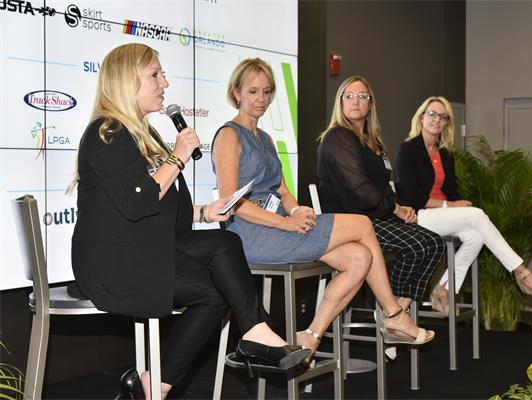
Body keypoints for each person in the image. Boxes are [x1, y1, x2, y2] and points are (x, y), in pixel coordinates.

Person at [70, 43, 309, 400]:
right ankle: (156, 384)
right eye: (155, 74)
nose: (165, 83)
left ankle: (255, 330)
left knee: (226, 242)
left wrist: (204, 212)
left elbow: (167, 210)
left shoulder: (144, 135)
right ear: (126, 80)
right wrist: (179, 157)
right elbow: (138, 202)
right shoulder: (106, 133)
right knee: (213, 295)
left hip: (145, 248)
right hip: (114, 263)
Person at [211, 59, 435, 361]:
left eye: (266, 92)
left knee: (360, 257)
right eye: (253, 91)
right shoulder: (229, 135)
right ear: (236, 93)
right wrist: (285, 224)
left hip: (277, 226)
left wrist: (296, 211)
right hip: (249, 235)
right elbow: (231, 203)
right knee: (362, 226)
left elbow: (283, 191)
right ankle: (394, 314)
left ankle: (311, 335)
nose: (261, 99)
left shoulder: (265, 139)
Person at [395, 96, 532, 314]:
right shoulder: (408, 150)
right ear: (421, 117)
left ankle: (444, 289)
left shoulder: (445, 155)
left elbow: (452, 191)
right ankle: (520, 271)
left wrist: (455, 205)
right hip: (417, 216)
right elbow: (411, 196)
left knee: (476, 236)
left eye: (443, 117)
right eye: (431, 114)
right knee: (477, 215)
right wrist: (449, 206)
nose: (436, 120)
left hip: (441, 216)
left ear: (447, 124)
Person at [316, 75, 446, 320]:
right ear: (340, 102)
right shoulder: (337, 138)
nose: (356, 102)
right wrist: (395, 209)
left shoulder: (373, 143)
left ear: (370, 104)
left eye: (362, 97)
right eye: (349, 96)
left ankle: (395, 312)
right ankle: (393, 315)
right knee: (418, 245)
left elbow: (383, 188)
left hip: (376, 217)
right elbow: (360, 189)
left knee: (435, 244)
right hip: (350, 223)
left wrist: (402, 208)